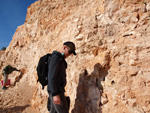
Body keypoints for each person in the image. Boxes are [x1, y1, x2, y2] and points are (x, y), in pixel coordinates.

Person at [47, 41, 76, 113]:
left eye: (71, 53)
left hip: (57, 90)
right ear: (64, 47)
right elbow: (51, 77)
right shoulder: (56, 58)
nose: (69, 54)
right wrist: (55, 94)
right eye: (69, 51)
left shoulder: (60, 59)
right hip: (56, 91)